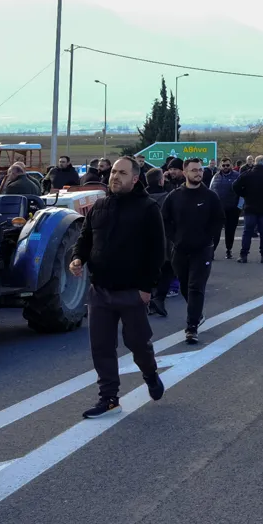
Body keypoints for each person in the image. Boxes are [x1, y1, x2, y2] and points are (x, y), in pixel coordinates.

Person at [69, 158, 167, 419]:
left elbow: (158, 252)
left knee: (137, 344)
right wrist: (78, 258)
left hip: (132, 291)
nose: (115, 176)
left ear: (135, 178)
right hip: (99, 290)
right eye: (113, 171)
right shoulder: (100, 205)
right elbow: (85, 238)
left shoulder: (148, 208)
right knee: (101, 347)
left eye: (122, 173)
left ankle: (150, 374)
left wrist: (146, 288)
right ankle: (109, 398)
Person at [160, 159, 223, 344]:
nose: (198, 173)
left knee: (196, 286)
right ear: (185, 173)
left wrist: (210, 241)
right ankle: (197, 312)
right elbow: (164, 219)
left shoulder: (210, 196)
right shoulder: (174, 196)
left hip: (202, 249)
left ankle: (192, 327)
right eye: (194, 170)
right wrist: (173, 238)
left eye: (200, 170)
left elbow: (219, 220)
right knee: (185, 286)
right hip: (179, 250)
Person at [234, 156, 263, 263]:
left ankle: (243, 254)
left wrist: (244, 194)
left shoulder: (247, 174)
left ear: (255, 163)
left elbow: (235, 186)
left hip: (250, 207)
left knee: (247, 232)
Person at [210, 160, 242, 259]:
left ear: (231, 165)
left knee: (230, 230)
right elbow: (210, 190)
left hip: (233, 208)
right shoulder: (216, 176)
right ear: (220, 166)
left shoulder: (237, 176)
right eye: (223, 165)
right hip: (219, 209)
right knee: (215, 231)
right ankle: (211, 251)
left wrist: (239, 206)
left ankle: (229, 249)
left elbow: (242, 192)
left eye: (227, 165)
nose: (225, 167)